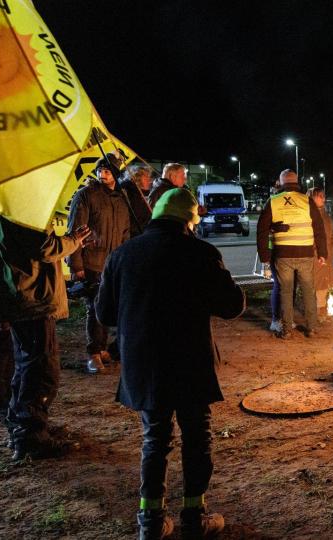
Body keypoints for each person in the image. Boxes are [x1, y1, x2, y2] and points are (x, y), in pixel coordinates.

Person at [96, 188, 244, 540]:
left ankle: (150, 521)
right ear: (189, 220)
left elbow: (104, 313)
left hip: (145, 363)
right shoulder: (201, 253)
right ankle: (194, 516)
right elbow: (232, 306)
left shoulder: (122, 254)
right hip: (190, 361)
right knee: (197, 437)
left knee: (155, 438)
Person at [0, 212, 92, 460]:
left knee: (25, 365)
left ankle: (21, 426)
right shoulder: (23, 206)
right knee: (40, 367)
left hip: (18, 292)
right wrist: (73, 240)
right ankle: (31, 436)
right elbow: (44, 247)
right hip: (32, 294)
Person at [67, 156, 131, 374]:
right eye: (100, 170)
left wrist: (124, 260)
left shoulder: (121, 199)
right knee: (94, 308)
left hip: (113, 263)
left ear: (116, 174)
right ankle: (93, 353)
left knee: (108, 307)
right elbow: (75, 230)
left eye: (107, 170)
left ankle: (103, 348)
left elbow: (125, 233)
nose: (102, 174)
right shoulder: (86, 196)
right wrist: (76, 265)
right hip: (92, 262)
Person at [256, 170, 327, 338]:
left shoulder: (273, 201)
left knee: (285, 292)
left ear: (281, 183)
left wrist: (264, 256)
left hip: (283, 254)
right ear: (297, 182)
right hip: (305, 253)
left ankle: (287, 330)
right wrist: (322, 252)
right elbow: (319, 228)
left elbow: (261, 230)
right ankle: (311, 327)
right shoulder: (307, 200)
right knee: (308, 291)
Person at [308, 187, 333, 321]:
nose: (323, 199)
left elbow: (330, 232)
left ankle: (322, 307)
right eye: (320, 196)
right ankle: (318, 310)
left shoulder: (324, 213)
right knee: (317, 283)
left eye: (324, 196)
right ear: (312, 197)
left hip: (326, 254)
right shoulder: (308, 213)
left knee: (324, 282)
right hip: (315, 254)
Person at [120, 163, 154, 237]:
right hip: (132, 236)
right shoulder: (130, 194)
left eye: (149, 178)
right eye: (146, 178)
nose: (149, 181)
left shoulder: (143, 195)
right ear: (137, 180)